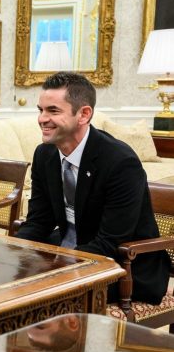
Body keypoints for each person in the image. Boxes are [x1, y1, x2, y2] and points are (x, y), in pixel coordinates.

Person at [15, 72, 169, 305]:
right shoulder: (45, 154)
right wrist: (13, 251)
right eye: (41, 110)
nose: (42, 119)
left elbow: (110, 243)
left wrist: (53, 269)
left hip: (123, 266)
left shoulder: (120, 162)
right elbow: (38, 221)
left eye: (53, 111)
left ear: (84, 114)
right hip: (70, 252)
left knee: (40, 297)